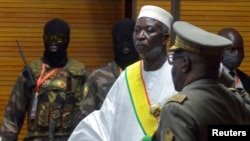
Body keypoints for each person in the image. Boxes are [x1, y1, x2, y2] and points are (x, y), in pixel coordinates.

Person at [68, 5, 176, 141]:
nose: (141, 36)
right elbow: (104, 121)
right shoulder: (129, 75)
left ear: (165, 38)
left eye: (149, 31)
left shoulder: (177, 74)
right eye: (137, 30)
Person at [153, 21, 250, 141]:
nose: (172, 67)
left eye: (173, 61)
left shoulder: (178, 110)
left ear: (185, 63)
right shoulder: (235, 101)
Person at [0, 18, 89, 141]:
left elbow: (91, 116)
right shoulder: (31, 72)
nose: (53, 43)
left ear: (67, 41)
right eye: (49, 38)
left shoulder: (80, 73)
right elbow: (12, 117)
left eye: (59, 39)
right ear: (43, 39)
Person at [81, 18, 140, 111]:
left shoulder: (149, 72)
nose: (125, 45)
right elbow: (87, 116)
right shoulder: (97, 76)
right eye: (120, 40)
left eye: (129, 40)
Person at [218, 28, 250, 93]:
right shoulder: (209, 78)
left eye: (240, 49)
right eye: (231, 50)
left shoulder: (247, 80)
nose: (237, 54)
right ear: (219, 50)